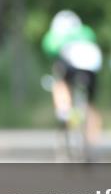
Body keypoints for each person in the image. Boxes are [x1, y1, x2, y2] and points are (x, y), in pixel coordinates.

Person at [41, 10, 103, 145]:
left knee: (59, 80)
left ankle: (64, 110)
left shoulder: (56, 35)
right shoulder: (86, 31)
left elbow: (49, 49)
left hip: (71, 65)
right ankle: (92, 140)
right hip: (92, 68)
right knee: (91, 104)